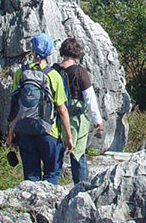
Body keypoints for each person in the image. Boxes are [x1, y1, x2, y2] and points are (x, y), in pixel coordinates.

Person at [5, 33, 74, 185]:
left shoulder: (21, 73)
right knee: (51, 174)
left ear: (32, 52)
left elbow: (15, 105)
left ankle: (31, 207)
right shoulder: (54, 76)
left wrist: (11, 133)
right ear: (49, 53)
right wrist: (69, 137)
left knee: (30, 177)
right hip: (49, 133)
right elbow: (62, 109)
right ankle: (47, 206)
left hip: (25, 132)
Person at [52, 38, 105, 184]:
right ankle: (80, 188)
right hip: (76, 117)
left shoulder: (53, 69)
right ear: (77, 53)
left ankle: (51, 185)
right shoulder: (79, 72)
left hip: (56, 115)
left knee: (57, 153)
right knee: (78, 154)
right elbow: (90, 98)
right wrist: (98, 121)